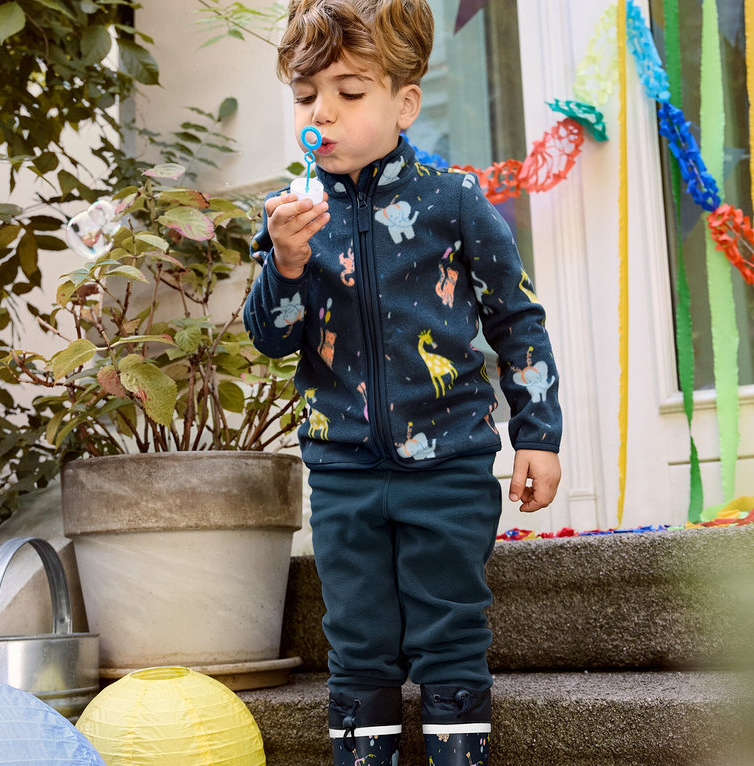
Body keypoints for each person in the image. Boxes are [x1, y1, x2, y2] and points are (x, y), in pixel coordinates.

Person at [243, 1, 562, 764]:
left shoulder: (453, 201)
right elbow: (271, 339)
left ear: (403, 104)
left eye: (350, 93)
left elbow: (516, 320)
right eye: (306, 95)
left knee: (450, 631)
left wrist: (538, 436)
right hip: (344, 470)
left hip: (448, 468)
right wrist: (283, 263)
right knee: (357, 641)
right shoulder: (295, 217)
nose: (324, 112)